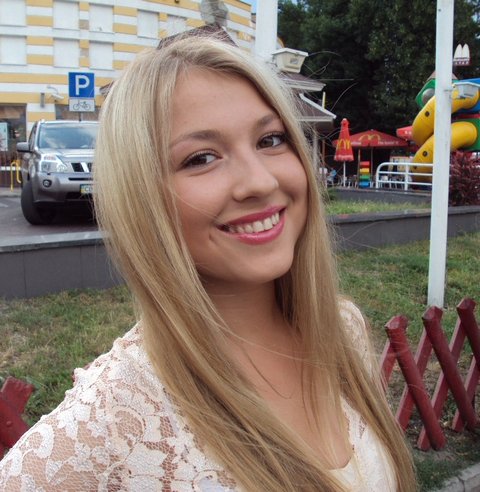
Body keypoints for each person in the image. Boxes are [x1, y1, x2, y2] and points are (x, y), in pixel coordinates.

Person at [0, 34, 416, 491]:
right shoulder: (111, 422)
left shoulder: (341, 329)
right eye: (201, 158)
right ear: (140, 196)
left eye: (270, 139)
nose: (259, 182)